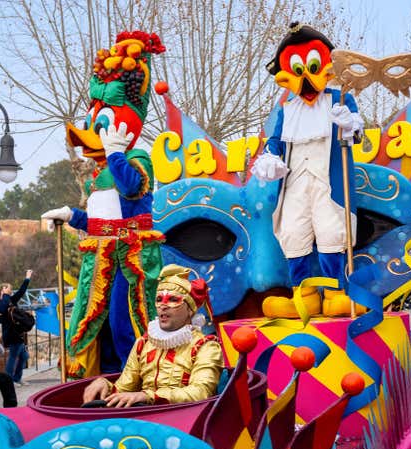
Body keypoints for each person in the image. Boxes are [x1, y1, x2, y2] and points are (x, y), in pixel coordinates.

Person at [41, 31, 166, 379]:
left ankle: (135, 378)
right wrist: (72, 216)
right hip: (100, 258)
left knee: (124, 320)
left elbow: (132, 189)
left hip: (130, 258)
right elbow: (100, 219)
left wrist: (115, 153)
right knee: (97, 322)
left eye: (102, 123)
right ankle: (105, 378)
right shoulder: (99, 172)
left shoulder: (135, 157)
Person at [252, 22, 363, 319]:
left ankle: (336, 293)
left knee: (330, 232)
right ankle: (304, 294)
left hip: (328, 181)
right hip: (295, 182)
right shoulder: (287, 110)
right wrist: (269, 158)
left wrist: (348, 124)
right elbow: (275, 141)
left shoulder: (340, 99)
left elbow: (356, 136)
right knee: (293, 232)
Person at [82, 264, 224, 407]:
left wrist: (148, 396)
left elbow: (200, 393)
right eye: (159, 299)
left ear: (190, 310)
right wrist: (105, 385)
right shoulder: (143, 344)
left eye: (173, 300)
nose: (163, 305)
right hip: (144, 420)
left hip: (184, 421)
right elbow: (124, 389)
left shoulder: (206, 346)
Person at [0, 270, 33, 385]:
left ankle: (16, 378)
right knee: (14, 356)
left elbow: (21, 291)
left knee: (24, 356)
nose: (10, 291)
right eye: (8, 289)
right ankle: (10, 379)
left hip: (17, 332)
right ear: (3, 290)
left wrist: (27, 278)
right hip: (10, 333)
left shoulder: (10, 300)